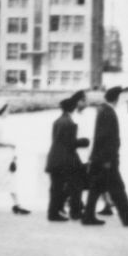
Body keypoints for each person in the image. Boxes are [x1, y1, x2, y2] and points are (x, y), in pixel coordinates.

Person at [81, 86, 128, 227]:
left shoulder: (104, 110)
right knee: (117, 188)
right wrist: (106, 160)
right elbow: (104, 138)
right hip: (107, 160)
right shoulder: (108, 113)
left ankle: (88, 216)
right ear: (117, 98)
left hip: (103, 159)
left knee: (97, 188)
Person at [45, 91, 89, 222]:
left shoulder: (58, 121)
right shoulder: (70, 123)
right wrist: (84, 142)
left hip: (54, 158)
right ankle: (75, 212)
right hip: (66, 160)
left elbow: (58, 141)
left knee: (56, 188)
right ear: (73, 108)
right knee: (76, 185)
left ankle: (53, 213)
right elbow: (70, 143)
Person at [0, 99, 30, 215]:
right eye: (7, 109)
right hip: (0, 156)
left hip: (0, 155)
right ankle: (16, 204)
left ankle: (16, 204)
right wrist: (12, 144)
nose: (8, 112)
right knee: (6, 179)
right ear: (2, 110)